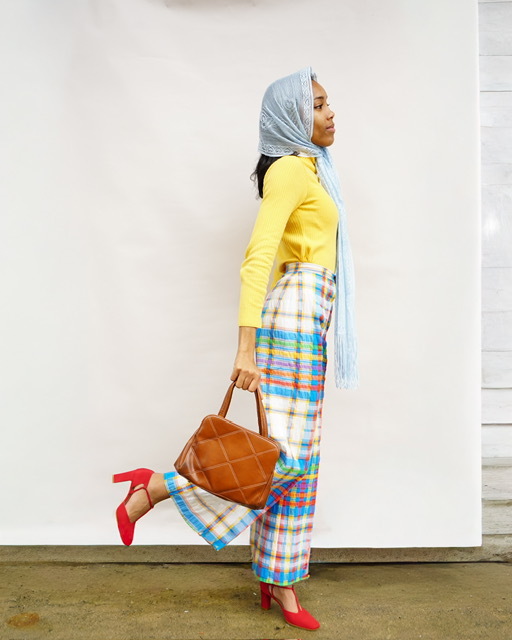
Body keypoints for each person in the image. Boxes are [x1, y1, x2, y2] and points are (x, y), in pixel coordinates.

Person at [113, 67, 359, 632]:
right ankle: (154, 487)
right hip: (293, 314)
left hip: (313, 316)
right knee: (286, 457)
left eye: (329, 103)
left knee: (301, 460)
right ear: (293, 116)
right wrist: (245, 348)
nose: (331, 113)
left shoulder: (316, 170)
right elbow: (258, 258)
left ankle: (280, 581)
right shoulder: (291, 171)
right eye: (319, 105)